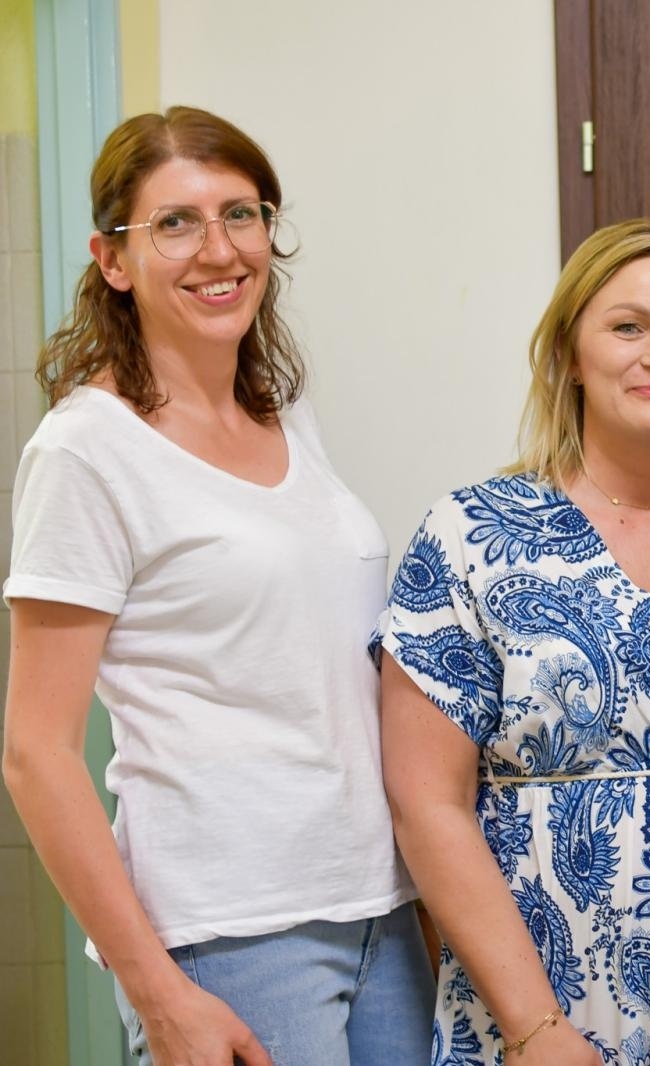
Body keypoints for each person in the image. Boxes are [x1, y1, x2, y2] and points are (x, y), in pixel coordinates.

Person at [2, 107, 432, 1066]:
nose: (219, 249)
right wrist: (154, 988)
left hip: (378, 907)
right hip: (230, 934)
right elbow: (35, 752)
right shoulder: (87, 450)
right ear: (113, 259)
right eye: (176, 223)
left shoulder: (287, 418)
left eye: (241, 214)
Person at [378, 218, 650, 1065]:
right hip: (534, 999)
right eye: (628, 326)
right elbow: (427, 804)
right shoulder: (469, 536)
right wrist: (534, 1029)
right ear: (568, 354)